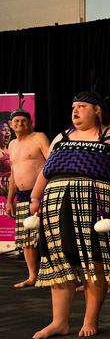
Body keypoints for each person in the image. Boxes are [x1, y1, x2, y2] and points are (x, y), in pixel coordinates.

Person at [29, 91, 110, 339]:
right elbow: (46, 169)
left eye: (82, 106)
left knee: (94, 261)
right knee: (58, 260)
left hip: (94, 199)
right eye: (74, 106)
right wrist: (35, 197)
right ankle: (59, 321)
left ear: (97, 110)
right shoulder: (62, 137)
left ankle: (90, 319)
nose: (75, 110)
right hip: (56, 200)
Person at [5, 107, 50, 288]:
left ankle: (53, 274)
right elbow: (14, 174)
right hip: (22, 196)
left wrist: (42, 193)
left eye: (24, 120)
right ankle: (32, 276)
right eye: (16, 121)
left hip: (42, 193)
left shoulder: (39, 137)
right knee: (26, 239)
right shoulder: (12, 145)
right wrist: (9, 200)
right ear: (10, 125)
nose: (20, 123)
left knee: (48, 236)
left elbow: (51, 162)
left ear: (30, 123)